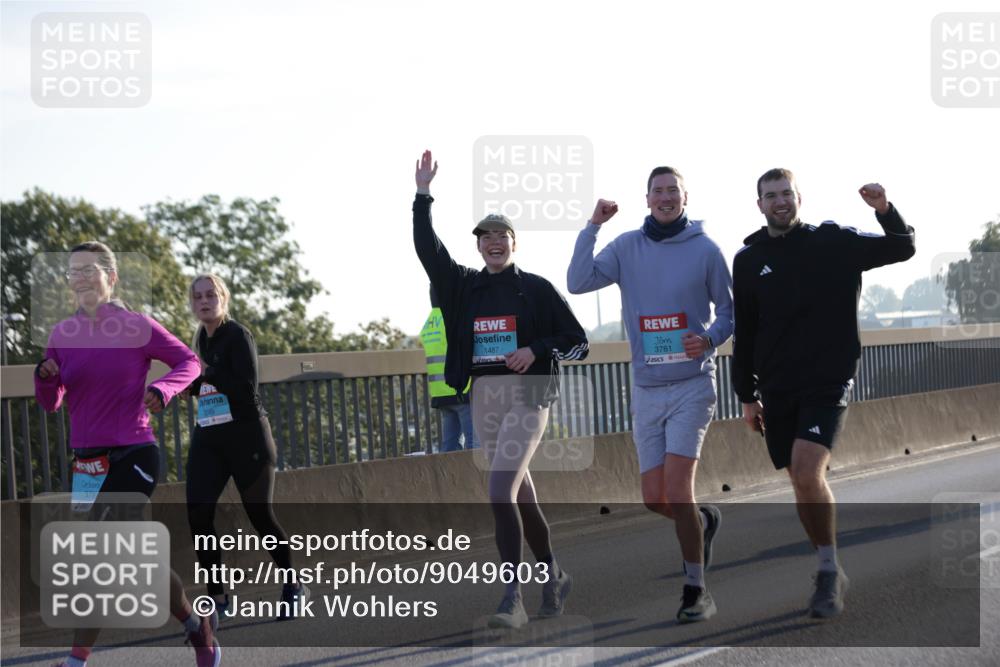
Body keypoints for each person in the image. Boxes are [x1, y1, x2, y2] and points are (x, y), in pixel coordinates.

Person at [412, 150, 589, 629]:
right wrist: (423, 196)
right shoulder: (463, 288)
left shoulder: (536, 288)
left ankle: (512, 597)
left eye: (501, 236)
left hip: (530, 397)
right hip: (484, 397)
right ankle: (554, 575)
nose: (494, 242)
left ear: (514, 242)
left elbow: (579, 343)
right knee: (520, 494)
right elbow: (429, 250)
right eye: (486, 237)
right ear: (479, 247)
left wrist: (535, 349)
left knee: (498, 490)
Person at [731, 169, 915, 618]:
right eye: (770, 196)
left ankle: (829, 572)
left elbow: (901, 247)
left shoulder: (832, 242)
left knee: (807, 468)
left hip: (828, 380)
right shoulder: (749, 260)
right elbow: (746, 333)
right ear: (759, 205)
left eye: (786, 194)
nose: (780, 202)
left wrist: (885, 211)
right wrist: (747, 395)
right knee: (799, 479)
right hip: (777, 386)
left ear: (799, 198)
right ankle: (827, 561)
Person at [34, 242, 221, 667]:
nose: (79, 278)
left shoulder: (136, 326)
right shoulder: (62, 334)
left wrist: (163, 389)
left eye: (88, 270)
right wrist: (45, 377)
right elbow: (51, 402)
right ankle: (195, 624)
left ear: (111, 277)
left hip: (134, 452)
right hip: (87, 462)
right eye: (72, 272)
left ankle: (77, 659)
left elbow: (189, 363)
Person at [567, 167, 733, 623]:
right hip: (645, 388)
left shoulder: (706, 250)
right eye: (657, 191)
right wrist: (593, 225)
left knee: (678, 492)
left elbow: (730, 310)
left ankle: (696, 588)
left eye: (672, 191)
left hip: (692, 386)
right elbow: (578, 281)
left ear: (685, 197)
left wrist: (711, 337)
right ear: (647, 198)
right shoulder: (626, 248)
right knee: (653, 499)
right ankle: (701, 524)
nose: (665, 197)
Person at [185, 273, 307, 623]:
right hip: (210, 436)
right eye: (198, 297)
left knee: (260, 516)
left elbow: (245, 387)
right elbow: (206, 383)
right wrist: (188, 384)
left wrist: (206, 374)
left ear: (223, 298)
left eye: (211, 295)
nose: (204, 301)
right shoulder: (199, 339)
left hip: (247, 437)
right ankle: (218, 597)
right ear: (192, 304)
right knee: (197, 513)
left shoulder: (238, 335)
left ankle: (292, 585)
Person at [420, 284, 479, 452]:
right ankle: (476, 478)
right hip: (462, 390)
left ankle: (451, 478)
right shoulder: (452, 318)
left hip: (441, 393)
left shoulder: (431, 321)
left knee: (449, 446)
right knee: (475, 444)